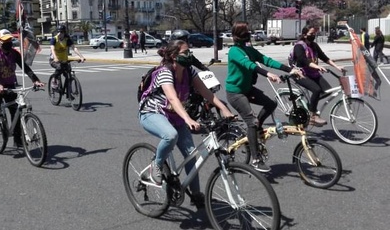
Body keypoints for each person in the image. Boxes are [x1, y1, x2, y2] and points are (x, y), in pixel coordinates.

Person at [139, 40, 234, 207]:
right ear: (174, 56)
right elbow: (172, 98)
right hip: (152, 113)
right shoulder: (164, 72)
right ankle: (156, 166)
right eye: (186, 52)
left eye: (190, 52)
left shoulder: (189, 71)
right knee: (170, 135)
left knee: (191, 154)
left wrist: (223, 108)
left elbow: (205, 91)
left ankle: (196, 195)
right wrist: (188, 119)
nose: (190, 55)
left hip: (174, 115)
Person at [225, 22, 303, 172]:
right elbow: (249, 65)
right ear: (237, 35)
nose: (248, 33)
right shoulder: (234, 51)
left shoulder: (249, 49)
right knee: (251, 121)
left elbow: (266, 60)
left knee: (271, 104)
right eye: (245, 31)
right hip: (235, 93)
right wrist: (267, 74)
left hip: (247, 89)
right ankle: (255, 159)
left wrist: (290, 69)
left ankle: (257, 128)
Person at [0, 29, 44, 147]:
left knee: (15, 110)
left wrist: (35, 80)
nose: (8, 43)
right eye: (5, 41)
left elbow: (25, 67)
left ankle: (17, 140)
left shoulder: (14, 53)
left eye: (10, 40)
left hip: (9, 82)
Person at [291, 24, 345, 126]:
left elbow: (325, 57)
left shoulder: (314, 45)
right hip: (299, 73)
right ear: (304, 35)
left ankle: (311, 105)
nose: (313, 35)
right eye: (311, 33)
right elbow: (304, 60)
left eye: (314, 33)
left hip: (312, 73)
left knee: (327, 91)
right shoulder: (299, 46)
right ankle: (312, 115)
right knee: (316, 90)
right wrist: (317, 67)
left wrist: (337, 67)